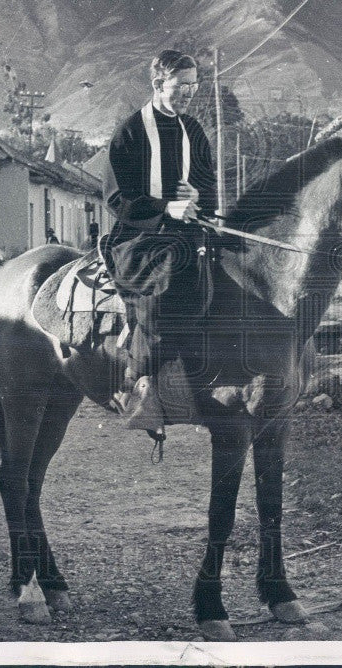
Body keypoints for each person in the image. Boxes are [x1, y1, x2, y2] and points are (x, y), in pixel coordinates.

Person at [102, 49, 218, 428]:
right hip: (138, 236)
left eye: (193, 85)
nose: (188, 93)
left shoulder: (194, 132)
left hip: (187, 232)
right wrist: (167, 209)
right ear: (157, 84)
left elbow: (208, 188)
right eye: (180, 86)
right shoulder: (130, 132)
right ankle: (137, 380)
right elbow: (117, 199)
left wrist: (198, 198)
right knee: (166, 275)